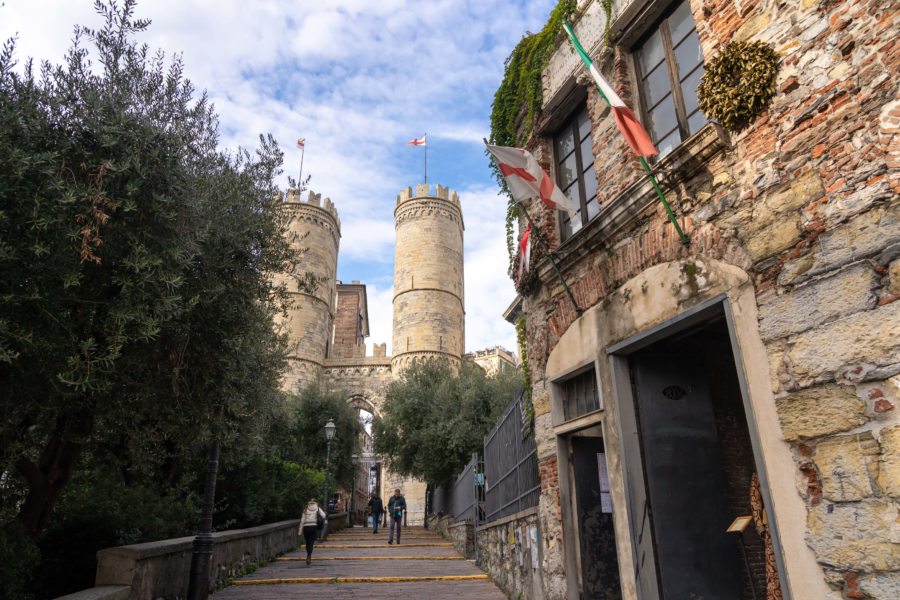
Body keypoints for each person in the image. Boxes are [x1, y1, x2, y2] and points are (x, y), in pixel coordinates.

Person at [299, 498, 326, 565]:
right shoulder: (318, 508)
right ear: (315, 503)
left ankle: (308, 554)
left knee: (307, 542)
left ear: (309, 503)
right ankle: (309, 556)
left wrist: (300, 531)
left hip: (306, 527)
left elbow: (302, 520)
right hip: (314, 527)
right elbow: (324, 515)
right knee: (311, 542)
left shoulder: (305, 509)